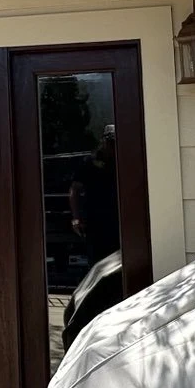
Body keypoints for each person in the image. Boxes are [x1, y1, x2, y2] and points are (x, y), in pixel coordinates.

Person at [63, 126, 124, 347]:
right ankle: (96, 312)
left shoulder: (125, 159)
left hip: (121, 224)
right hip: (97, 225)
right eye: (110, 141)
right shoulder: (90, 163)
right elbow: (75, 190)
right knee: (97, 268)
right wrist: (76, 218)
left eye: (116, 142)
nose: (113, 146)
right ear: (103, 142)